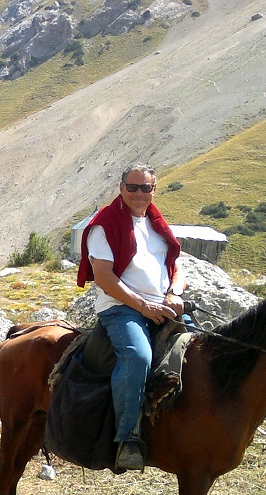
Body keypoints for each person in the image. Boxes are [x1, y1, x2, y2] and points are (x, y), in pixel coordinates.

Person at [77, 163, 187, 471]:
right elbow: (104, 277)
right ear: (121, 188)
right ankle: (128, 438)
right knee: (138, 357)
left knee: (200, 350)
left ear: (154, 189)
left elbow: (177, 269)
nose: (139, 194)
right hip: (120, 307)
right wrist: (144, 306)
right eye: (133, 187)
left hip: (162, 306)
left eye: (145, 188)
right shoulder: (104, 224)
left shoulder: (158, 225)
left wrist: (174, 294)